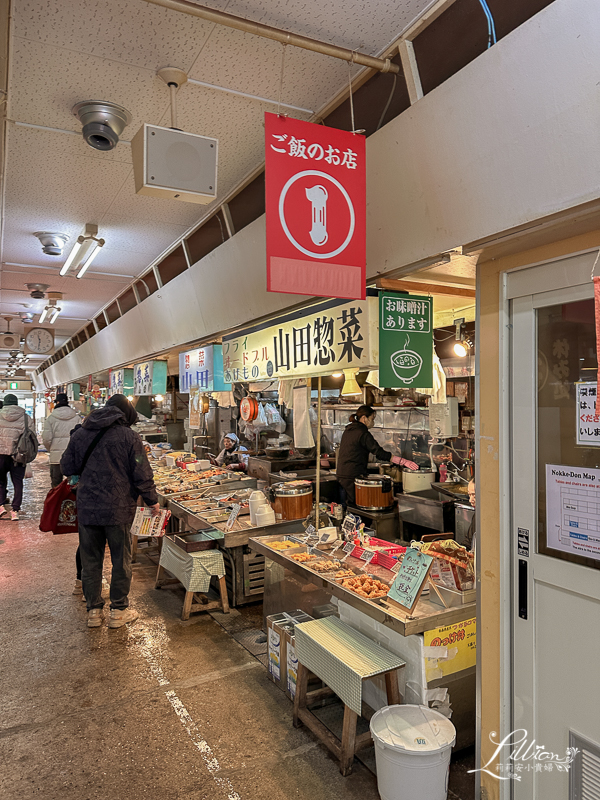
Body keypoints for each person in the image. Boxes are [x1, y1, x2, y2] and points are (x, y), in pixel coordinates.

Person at [61, 394, 160, 629]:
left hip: (88, 508)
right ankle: (118, 611)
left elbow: (67, 466)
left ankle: (94, 612)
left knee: (91, 560)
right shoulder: (129, 437)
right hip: (118, 509)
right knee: (121, 560)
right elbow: (141, 472)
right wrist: (152, 500)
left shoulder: (80, 433)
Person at [336, 404, 419, 506]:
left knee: (347, 507)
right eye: (372, 418)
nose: (373, 422)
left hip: (342, 474)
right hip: (352, 475)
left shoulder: (349, 430)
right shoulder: (363, 433)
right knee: (355, 507)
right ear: (364, 418)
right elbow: (379, 453)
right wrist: (402, 461)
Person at [0, 394, 33, 521]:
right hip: (18, 456)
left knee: (1, 482)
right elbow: (32, 437)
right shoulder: (25, 417)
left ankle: (1, 506)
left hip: (1, 455)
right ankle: (15, 510)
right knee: (18, 482)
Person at [42, 393, 83, 488]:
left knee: (56, 485)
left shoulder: (50, 419)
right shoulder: (77, 418)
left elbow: (46, 439)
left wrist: (51, 450)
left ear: (57, 402)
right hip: (72, 457)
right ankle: (71, 503)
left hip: (56, 458)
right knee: (74, 484)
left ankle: (58, 502)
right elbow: (80, 438)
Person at [465, 478, 476, 552]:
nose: (470, 500)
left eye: (474, 495)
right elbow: (468, 542)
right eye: (469, 495)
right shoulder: (476, 516)